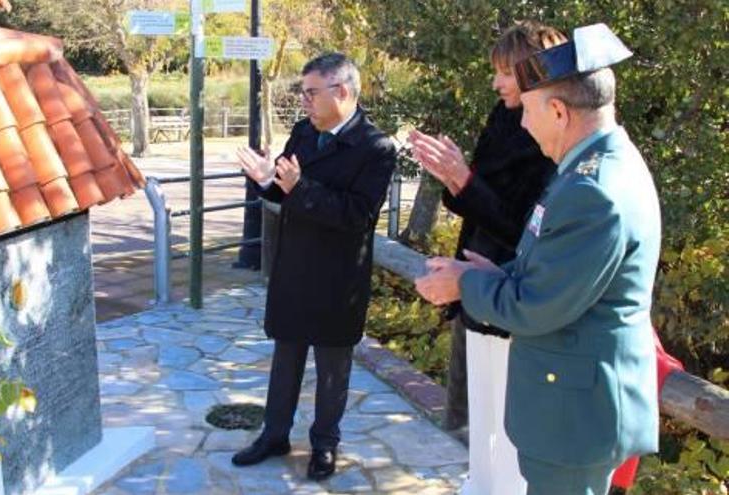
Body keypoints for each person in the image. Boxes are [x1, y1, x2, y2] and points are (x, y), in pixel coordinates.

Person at [414, 23, 661, 495]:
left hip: (574, 419)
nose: (522, 123)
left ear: (558, 111)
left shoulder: (592, 191)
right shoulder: (599, 166)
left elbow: (536, 304)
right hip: (575, 410)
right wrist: (494, 273)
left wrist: (464, 284)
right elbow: (552, 265)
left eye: (527, 110)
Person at [408, 20, 566, 495]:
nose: (496, 83)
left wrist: (465, 179)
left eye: (504, 73)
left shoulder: (553, 136)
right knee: (482, 419)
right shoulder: (503, 118)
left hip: (512, 295)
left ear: (534, 71)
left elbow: (526, 232)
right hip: (476, 284)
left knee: (509, 426)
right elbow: (484, 201)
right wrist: (458, 179)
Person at [230, 53, 397, 480]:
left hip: (338, 277)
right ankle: (275, 434)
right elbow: (285, 190)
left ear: (341, 91)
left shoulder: (376, 148)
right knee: (285, 357)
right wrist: (268, 179)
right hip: (294, 264)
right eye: (303, 93)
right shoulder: (305, 132)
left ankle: (325, 444)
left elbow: (358, 214)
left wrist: (300, 187)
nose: (303, 102)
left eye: (310, 93)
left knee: (331, 369)